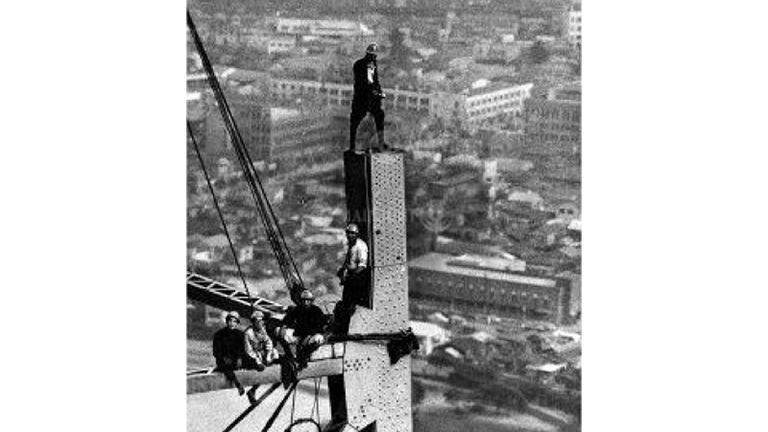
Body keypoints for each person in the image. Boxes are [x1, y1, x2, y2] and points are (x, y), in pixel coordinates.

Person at [350, 43, 388, 152]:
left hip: (358, 97)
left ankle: (352, 146)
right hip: (369, 98)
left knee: (355, 122)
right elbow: (371, 83)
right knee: (379, 116)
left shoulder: (357, 64)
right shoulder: (371, 65)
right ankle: (381, 143)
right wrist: (379, 95)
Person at [334, 223, 369, 334]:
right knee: (345, 304)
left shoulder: (361, 246)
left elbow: (362, 266)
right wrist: (342, 270)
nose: (350, 235)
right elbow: (349, 260)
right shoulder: (350, 245)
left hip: (357, 278)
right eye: (348, 233)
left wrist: (351, 277)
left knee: (349, 306)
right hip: (350, 276)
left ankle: (345, 330)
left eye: (352, 233)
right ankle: (341, 329)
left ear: (356, 234)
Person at [281, 290, 328, 369]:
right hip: (300, 335)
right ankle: (290, 356)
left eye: (308, 300)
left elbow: (321, 325)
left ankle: (304, 356)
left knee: (318, 339)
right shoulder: (297, 309)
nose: (306, 302)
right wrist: (284, 327)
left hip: (312, 336)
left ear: (311, 301)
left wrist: (310, 335)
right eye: (304, 300)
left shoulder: (316, 310)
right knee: (282, 334)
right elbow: (288, 320)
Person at [212, 311, 246, 395]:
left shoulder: (240, 334)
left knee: (249, 360)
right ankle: (238, 385)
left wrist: (239, 358)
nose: (232, 323)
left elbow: (242, 350)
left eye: (234, 321)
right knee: (225, 366)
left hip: (235, 359)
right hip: (223, 360)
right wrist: (224, 358)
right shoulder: (218, 334)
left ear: (237, 323)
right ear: (226, 322)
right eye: (230, 321)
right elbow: (216, 352)